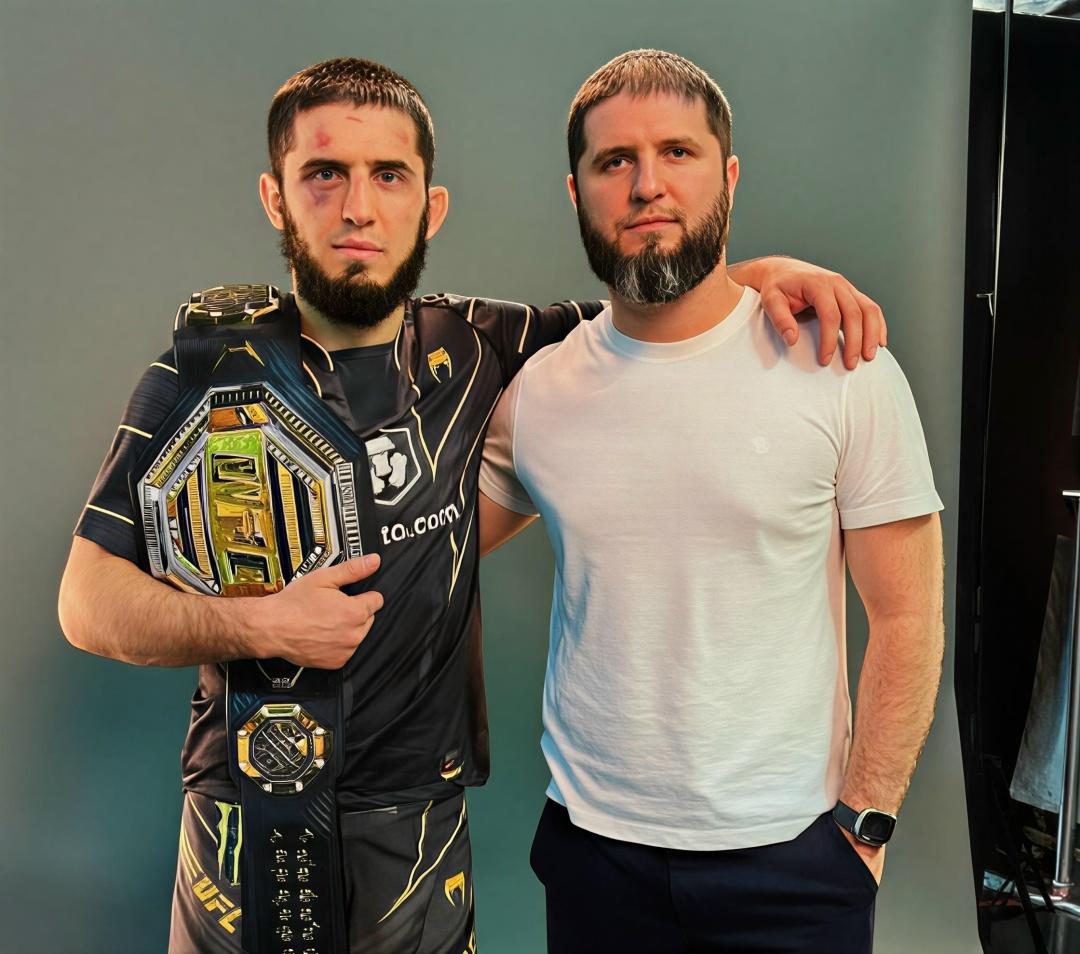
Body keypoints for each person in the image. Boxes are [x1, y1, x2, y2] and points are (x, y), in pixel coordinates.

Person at [58, 57, 887, 953]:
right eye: (324, 174)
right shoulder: (203, 371)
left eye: (389, 175)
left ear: (431, 205)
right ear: (275, 196)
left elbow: (663, 300)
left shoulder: (490, 348)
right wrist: (257, 626)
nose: (358, 208)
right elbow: (87, 603)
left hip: (417, 827)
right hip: (242, 816)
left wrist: (772, 272)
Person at [478, 49, 945, 954]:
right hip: (595, 850)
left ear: (728, 178)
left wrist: (867, 824)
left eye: (677, 153)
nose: (646, 185)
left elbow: (908, 617)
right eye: (615, 161)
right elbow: (430, 545)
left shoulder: (843, 366)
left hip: (797, 859)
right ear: (576, 193)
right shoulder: (540, 392)